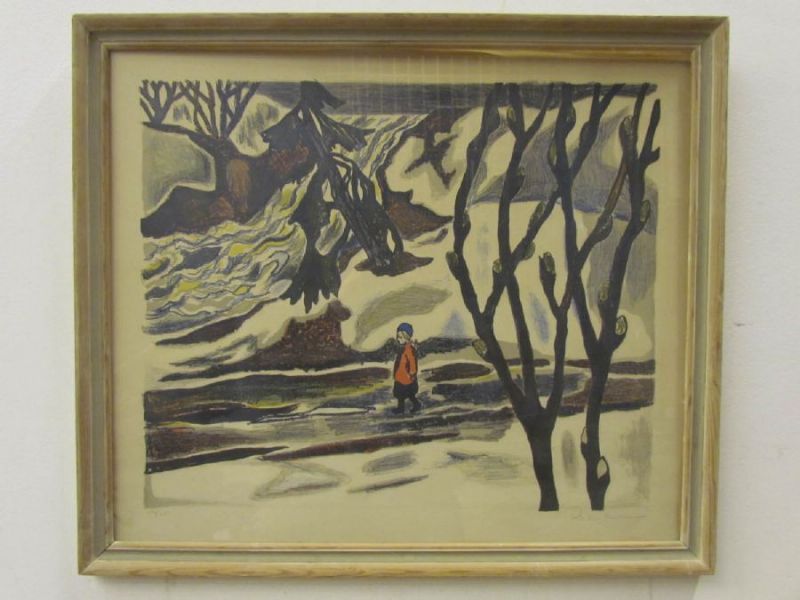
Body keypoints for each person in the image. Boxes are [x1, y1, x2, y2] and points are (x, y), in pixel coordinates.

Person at [392, 322, 421, 414]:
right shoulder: (403, 348)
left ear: (407, 337)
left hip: (407, 379)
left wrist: (412, 373)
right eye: (398, 337)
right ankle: (401, 408)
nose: (398, 339)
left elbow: (412, 363)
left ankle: (416, 405)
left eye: (400, 337)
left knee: (408, 394)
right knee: (401, 395)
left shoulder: (409, 349)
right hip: (400, 377)